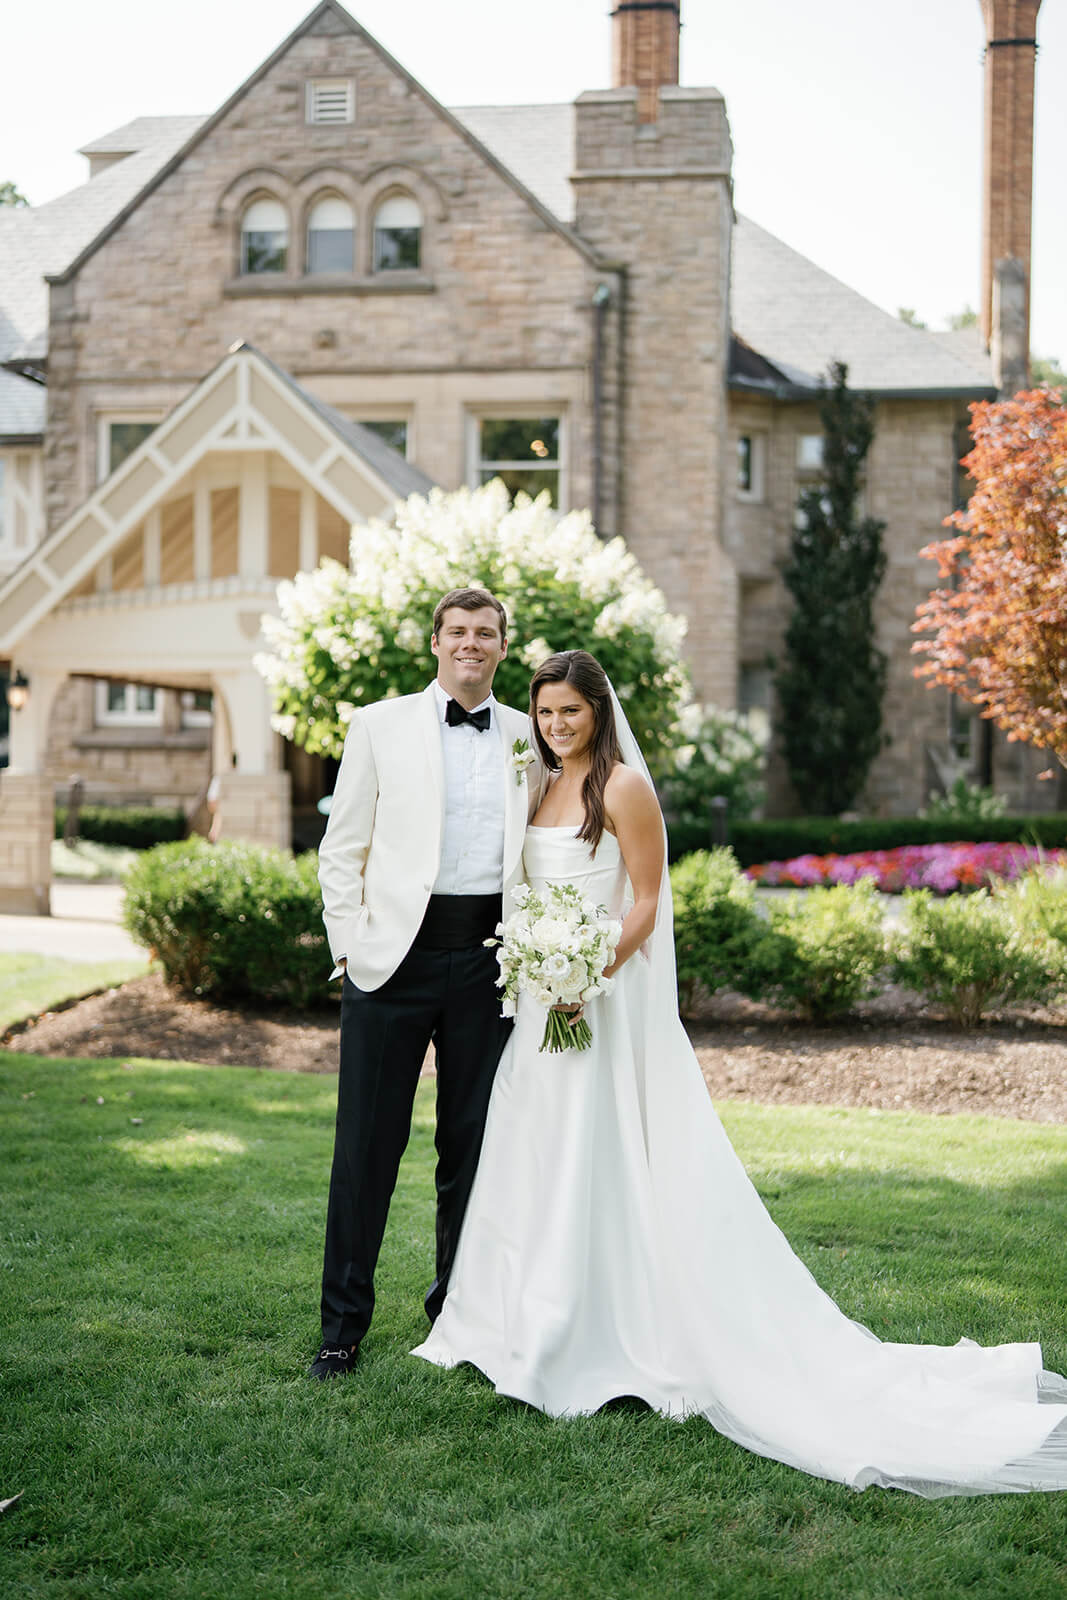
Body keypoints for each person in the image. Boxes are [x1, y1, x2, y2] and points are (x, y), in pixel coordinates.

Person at [414, 650, 1067, 1497]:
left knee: (592, 1155)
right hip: (540, 1006)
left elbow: (646, 901)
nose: (556, 726)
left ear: (598, 713)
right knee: (532, 1155)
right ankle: (512, 1322)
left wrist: (588, 974)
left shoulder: (621, 789)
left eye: (570, 712)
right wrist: (543, 973)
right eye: (545, 714)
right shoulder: (535, 786)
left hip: (593, 1004)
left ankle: (596, 1333)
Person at [310, 588, 543, 1379]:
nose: (470, 644)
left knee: (472, 1149)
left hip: (490, 960)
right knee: (365, 1150)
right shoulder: (378, 724)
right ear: (435, 642)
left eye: (485, 633)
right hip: (390, 965)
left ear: (503, 647)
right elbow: (342, 848)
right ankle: (341, 1328)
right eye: (458, 632)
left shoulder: (525, 734)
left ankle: (458, 1318)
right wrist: (348, 950)